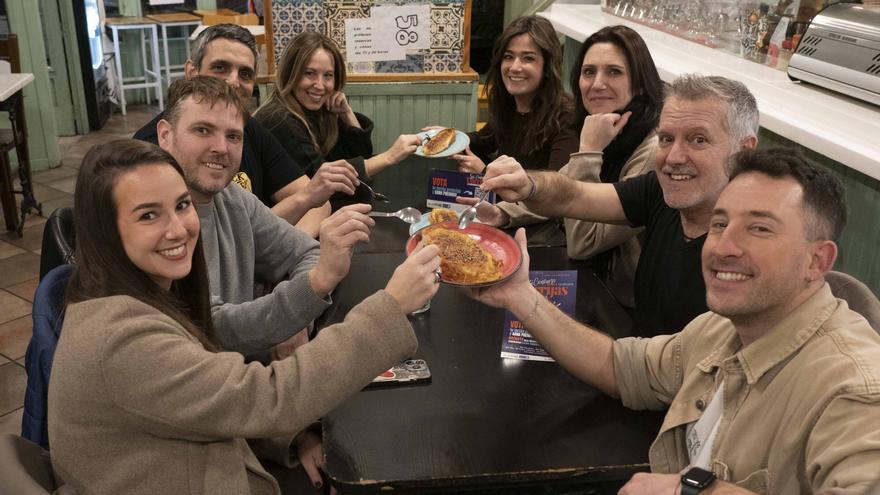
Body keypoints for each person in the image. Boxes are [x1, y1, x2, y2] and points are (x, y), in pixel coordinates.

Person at [473, 148, 880, 494]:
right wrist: (521, 295)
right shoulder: (722, 329)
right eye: (720, 224)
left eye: (759, 228)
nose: (724, 246)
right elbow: (619, 365)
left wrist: (687, 488)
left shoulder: (856, 390)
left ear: (817, 261)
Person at [47, 138, 442, 494]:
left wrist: (293, 439)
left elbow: (209, 404)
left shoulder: (147, 293)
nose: (178, 229)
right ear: (106, 232)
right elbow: (270, 398)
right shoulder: (123, 342)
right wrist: (391, 305)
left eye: (182, 206)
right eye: (148, 215)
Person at [480, 74, 759, 336]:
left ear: (744, 151)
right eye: (666, 139)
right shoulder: (658, 189)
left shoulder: (751, 253)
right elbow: (574, 196)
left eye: (698, 140)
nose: (674, 157)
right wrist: (529, 185)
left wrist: (523, 300)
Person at [477, 25, 663, 307]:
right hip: (596, 282)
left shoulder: (652, 150)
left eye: (614, 72)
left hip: (626, 306)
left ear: (638, 83)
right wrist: (502, 213)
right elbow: (560, 188)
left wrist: (588, 151)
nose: (597, 84)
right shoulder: (610, 126)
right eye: (589, 72)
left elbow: (584, 243)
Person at [134, 24, 352, 236]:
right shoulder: (151, 147)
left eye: (245, 74)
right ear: (192, 71)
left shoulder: (252, 129)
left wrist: (284, 254)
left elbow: (317, 204)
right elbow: (199, 240)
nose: (233, 82)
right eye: (220, 68)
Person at [254, 31, 422, 209]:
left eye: (328, 75)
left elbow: (360, 154)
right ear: (290, 74)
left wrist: (346, 113)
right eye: (309, 73)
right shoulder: (279, 119)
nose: (319, 85)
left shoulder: (318, 110)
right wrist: (389, 157)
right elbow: (324, 180)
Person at [452, 15, 577, 174]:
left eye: (528, 58)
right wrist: (448, 138)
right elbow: (483, 141)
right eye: (508, 57)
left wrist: (484, 172)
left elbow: (555, 189)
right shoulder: (511, 105)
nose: (515, 67)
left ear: (547, 67)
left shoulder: (566, 118)